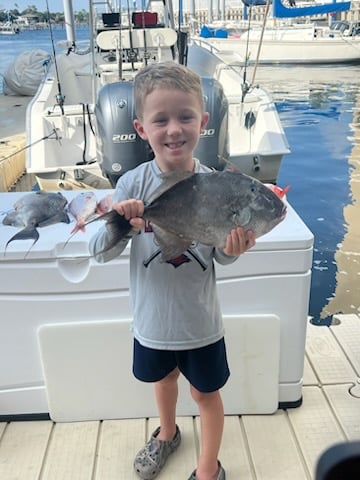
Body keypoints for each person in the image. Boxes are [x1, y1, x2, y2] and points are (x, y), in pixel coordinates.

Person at [89, 61, 256, 480]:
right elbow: (97, 252)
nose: (174, 129)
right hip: (151, 322)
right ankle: (166, 433)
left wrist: (235, 249)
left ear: (204, 121)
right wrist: (124, 226)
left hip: (201, 324)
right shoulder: (130, 185)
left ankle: (207, 467)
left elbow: (220, 257)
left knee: (205, 393)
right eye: (160, 120)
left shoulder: (217, 186)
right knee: (162, 382)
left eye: (185, 117)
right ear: (141, 129)